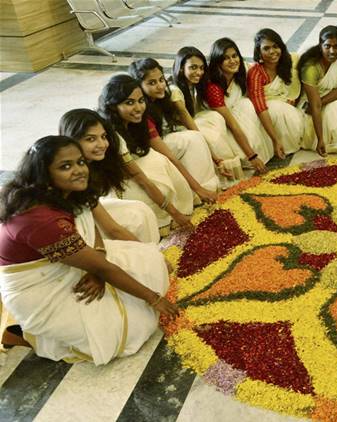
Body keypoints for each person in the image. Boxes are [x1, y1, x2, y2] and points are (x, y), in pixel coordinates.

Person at [0, 136, 179, 362]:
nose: (78, 170)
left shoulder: (64, 191)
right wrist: (154, 299)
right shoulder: (41, 220)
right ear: (44, 174)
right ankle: (26, 335)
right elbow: (105, 268)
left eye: (80, 162)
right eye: (66, 166)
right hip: (39, 290)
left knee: (151, 262)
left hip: (66, 264)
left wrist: (98, 265)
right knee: (126, 331)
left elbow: (89, 225)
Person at [98, 74, 194, 233]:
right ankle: (161, 223)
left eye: (141, 101)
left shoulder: (136, 123)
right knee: (157, 182)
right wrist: (175, 213)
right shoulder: (112, 134)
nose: (138, 108)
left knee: (159, 160)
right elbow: (140, 179)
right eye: (129, 103)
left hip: (131, 174)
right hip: (114, 188)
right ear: (113, 105)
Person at [59, 108, 160, 244]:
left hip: (88, 213)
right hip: (69, 230)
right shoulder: (75, 173)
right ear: (72, 140)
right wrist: (148, 252)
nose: (102, 144)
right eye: (90, 139)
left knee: (141, 211)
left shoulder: (94, 162)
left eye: (103, 136)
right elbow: (112, 229)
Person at [128, 58, 220, 202]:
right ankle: (198, 192)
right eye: (152, 83)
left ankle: (205, 188)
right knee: (192, 139)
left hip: (158, 144)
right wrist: (199, 189)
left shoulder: (162, 98)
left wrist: (215, 157)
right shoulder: (141, 110)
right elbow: (169, 155)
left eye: (161, 80)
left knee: (197, 135)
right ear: (138, 86)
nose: (160, 86)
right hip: (143, 156)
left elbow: (183, 119)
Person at [171, 46, 236, 182]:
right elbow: (192, 127)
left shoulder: (194, 85)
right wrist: (215, 158)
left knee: (215, 117)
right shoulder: (175, 91)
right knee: (209, 138)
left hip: (189, 125)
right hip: (176, 134)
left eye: (201, 68)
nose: (199, 72)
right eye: (193, 67)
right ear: (181, 68)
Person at [205, 37, 269, 173]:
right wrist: (252, 156)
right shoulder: (213, 88)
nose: (233, 61)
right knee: (245, 105)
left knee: (250, 105)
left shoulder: (239, 73)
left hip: (237, 125)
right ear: (218, 62)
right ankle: (245, 154)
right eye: (226, 58)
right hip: (221, 129)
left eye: (235, 56)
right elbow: (232, 125)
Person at [298, 25, 337, 156]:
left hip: (334, 96)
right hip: (312, 101)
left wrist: (322, 102)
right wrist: (320, 140)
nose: (332, 51)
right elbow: (315, 104)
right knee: (308, 127)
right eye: (327, 46)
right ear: (320, 46)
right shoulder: (310, 67)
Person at [247, 28, 304, 159]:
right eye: (266, 48)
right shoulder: (256, 73)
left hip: (292, 109)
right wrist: (275, 140)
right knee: (276, 108)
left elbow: (302, 86)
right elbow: (260, 108)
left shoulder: (290, 62)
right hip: (268, 115)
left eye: (275, 46)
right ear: (259, 52)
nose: (272, 51)